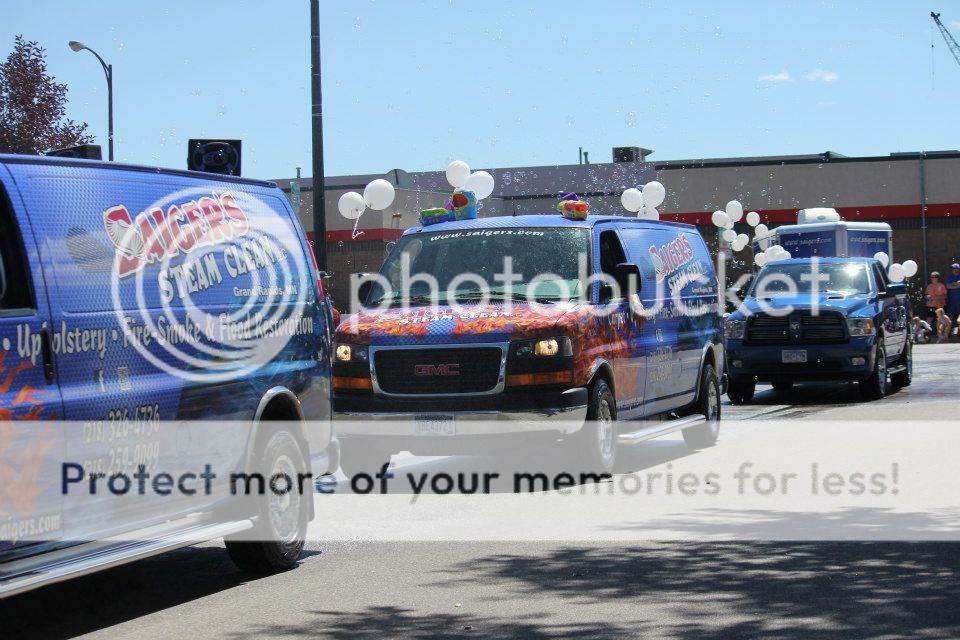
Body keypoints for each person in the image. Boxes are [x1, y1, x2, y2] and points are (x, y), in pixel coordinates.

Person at [945, 263, 960, 330]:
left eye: (955, 268)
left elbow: (959, 284)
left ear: (958, 269)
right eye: (952, 268)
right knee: (950, 315)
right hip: (952, 299)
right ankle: (947, 332)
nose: (953, 270)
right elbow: (948, 286)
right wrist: (956, 285)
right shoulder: (949, 277)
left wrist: (953, 285)